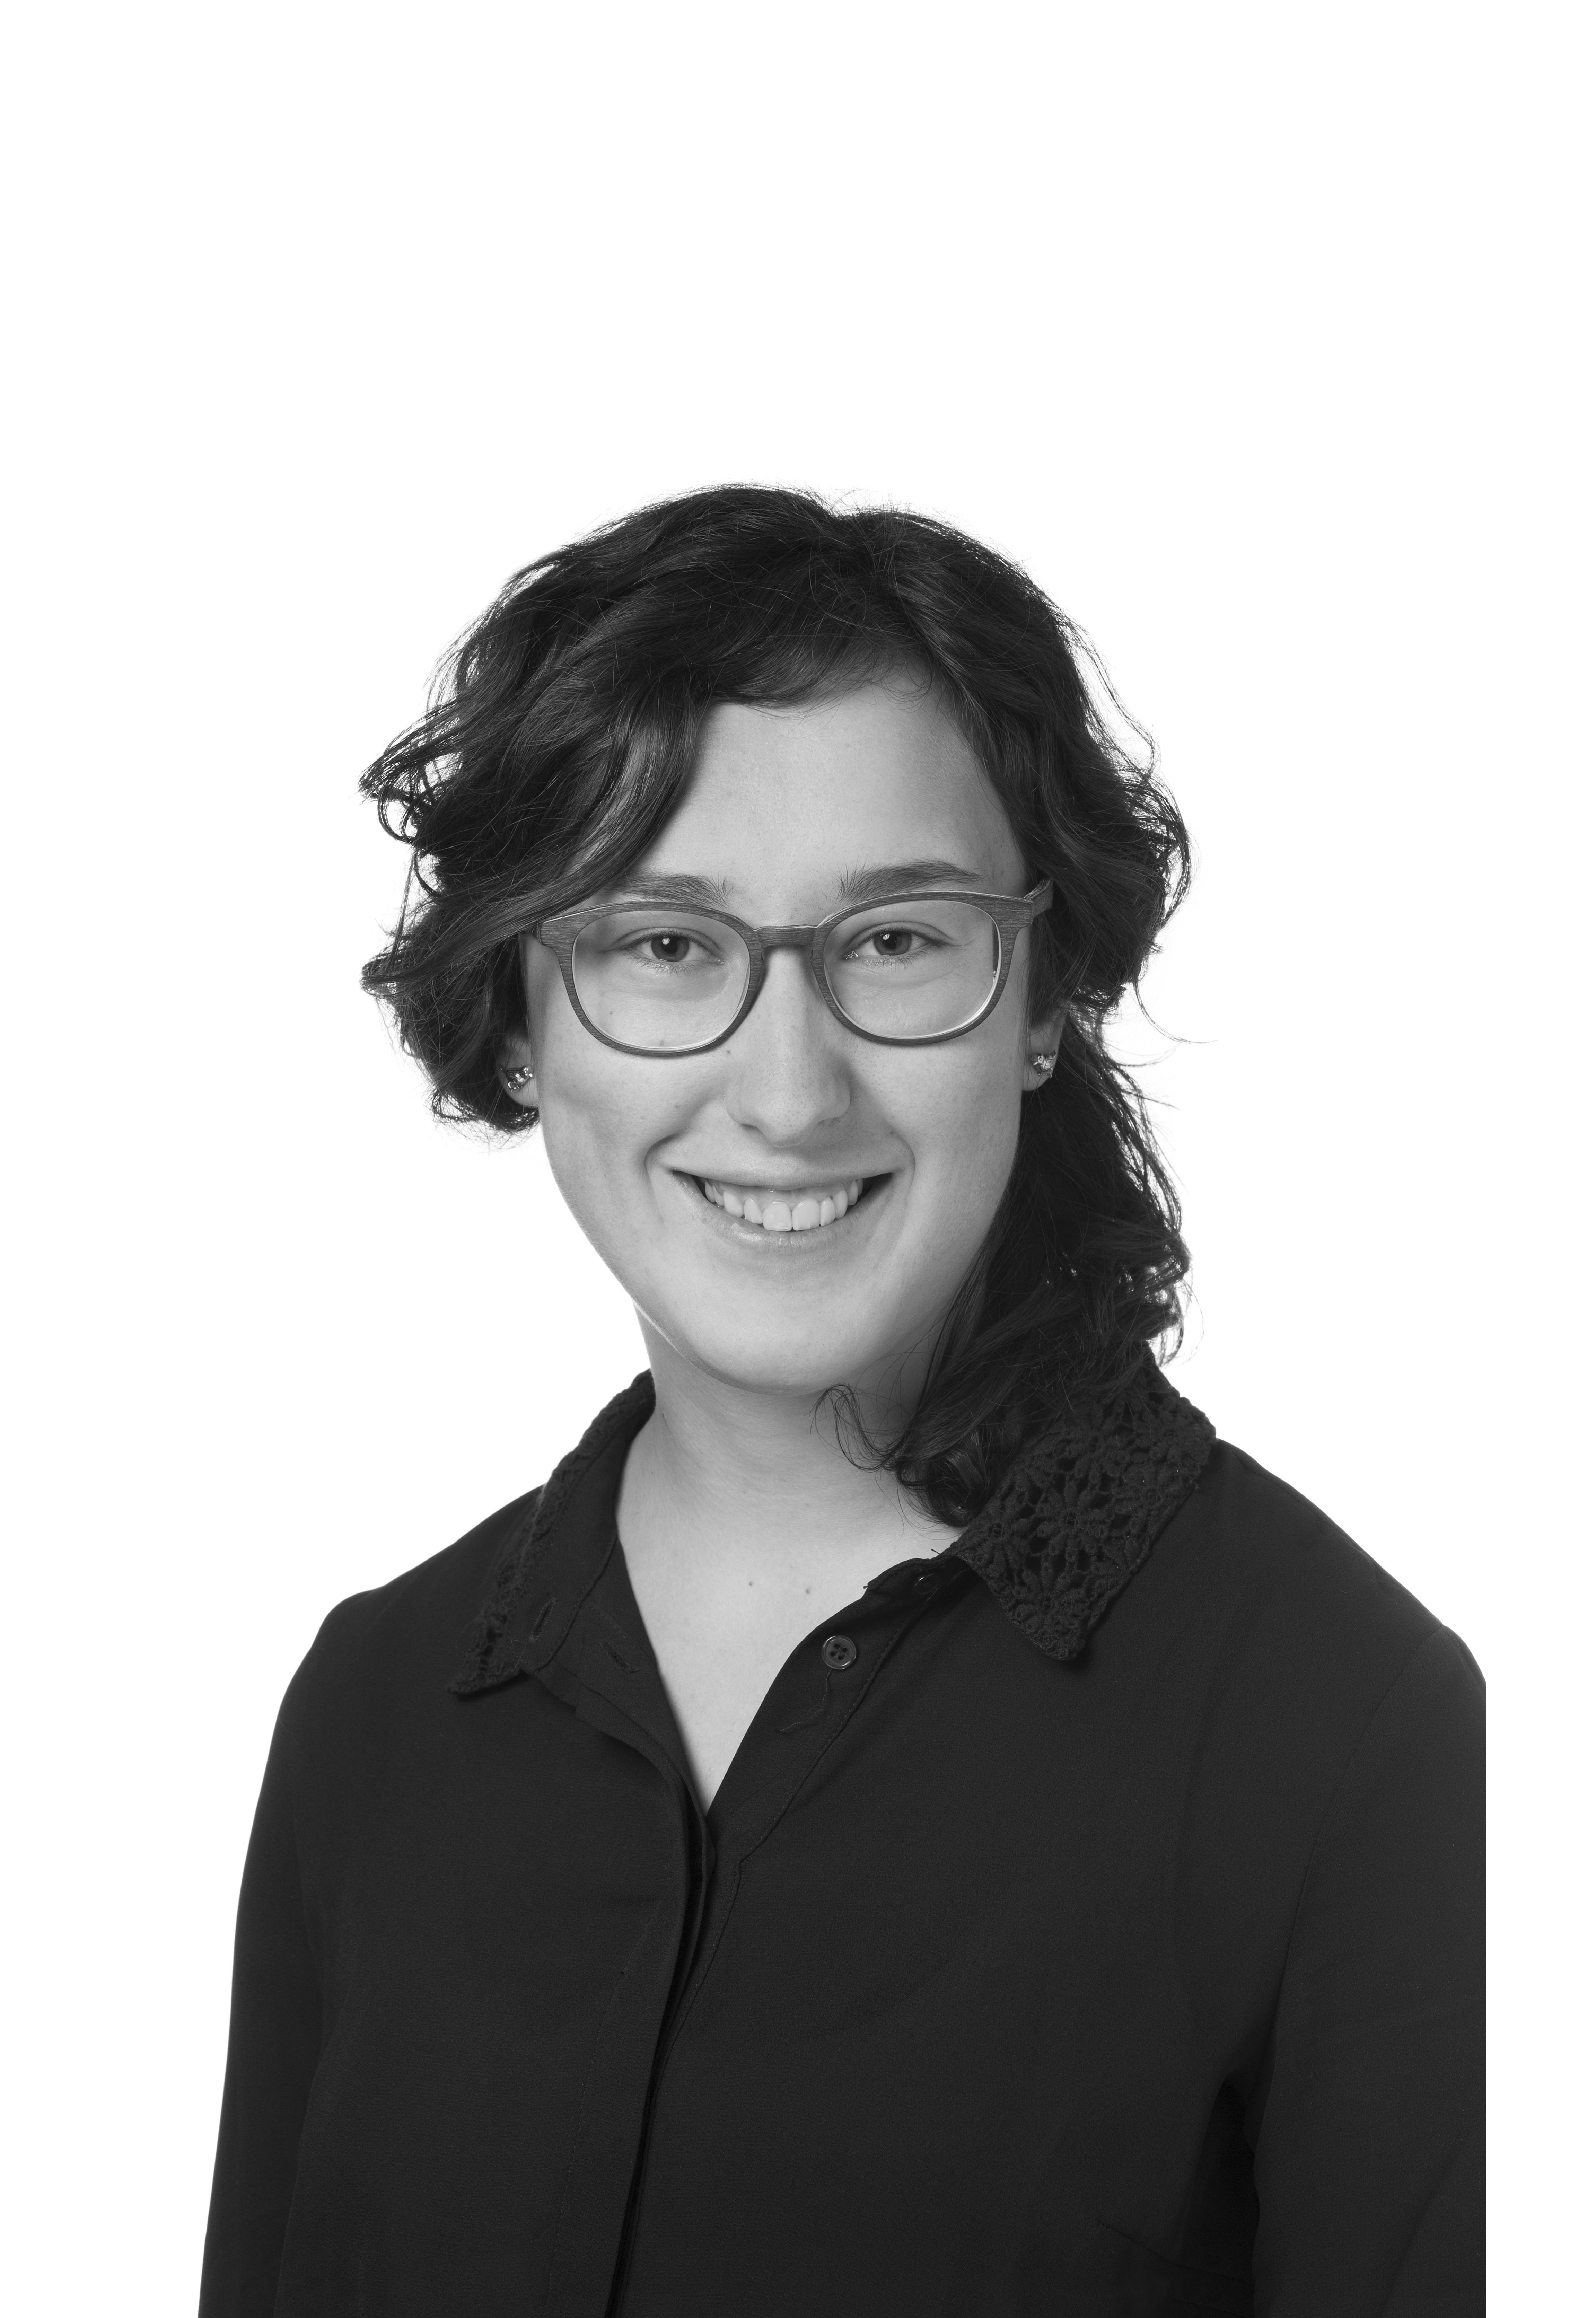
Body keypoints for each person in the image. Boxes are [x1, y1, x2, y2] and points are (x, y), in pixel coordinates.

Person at [198, 486, 1484, 2316]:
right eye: (664, 945)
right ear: (518, 1015)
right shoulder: (375, 1715)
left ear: (1044, 997)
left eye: (896, 940)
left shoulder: (1357, 1736)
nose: (790, 1095)